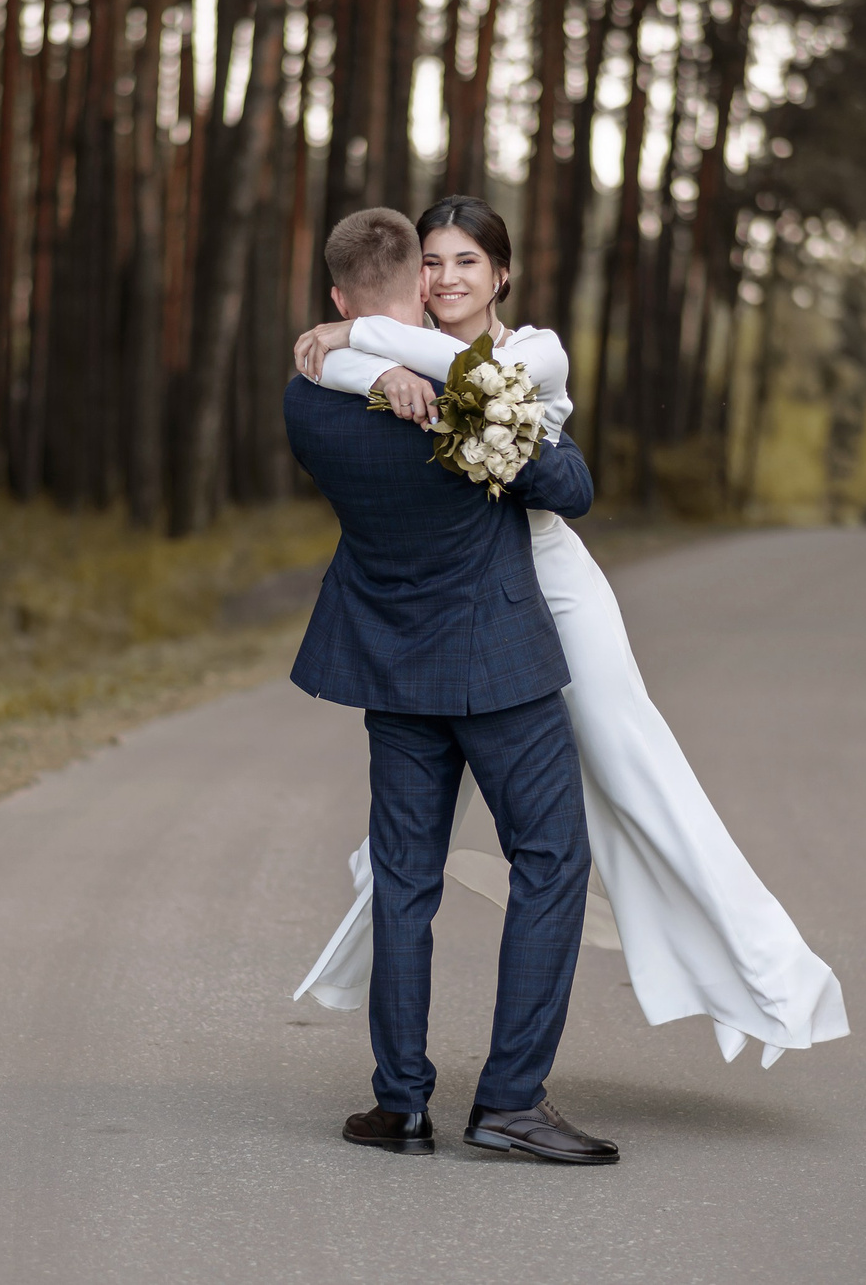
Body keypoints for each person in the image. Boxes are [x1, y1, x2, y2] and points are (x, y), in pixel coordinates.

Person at [294, 195, 848, 1070]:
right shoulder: (378, 354)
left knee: (634, 766)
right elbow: (381, 375)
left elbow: (541, 454)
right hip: (468, 603)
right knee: (414, 851)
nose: (444, 278)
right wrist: (359, 353)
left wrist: (351, 340)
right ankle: (392, 1003)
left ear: (501, 274)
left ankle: (765, 975)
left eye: (466, 262)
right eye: (430, 263)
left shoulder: (530, 352)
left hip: (550, 583)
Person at [281, 206, 618, 1165]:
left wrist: (369, 358)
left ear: (342, 302)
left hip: (393, 666)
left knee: (404, 878)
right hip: (499, 663)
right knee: (551, 861)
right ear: (418, 289)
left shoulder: (310, 398)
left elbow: (337, 372)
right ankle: (510, 1101)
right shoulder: (470, 390)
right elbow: (572, 488)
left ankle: (403, 1105)